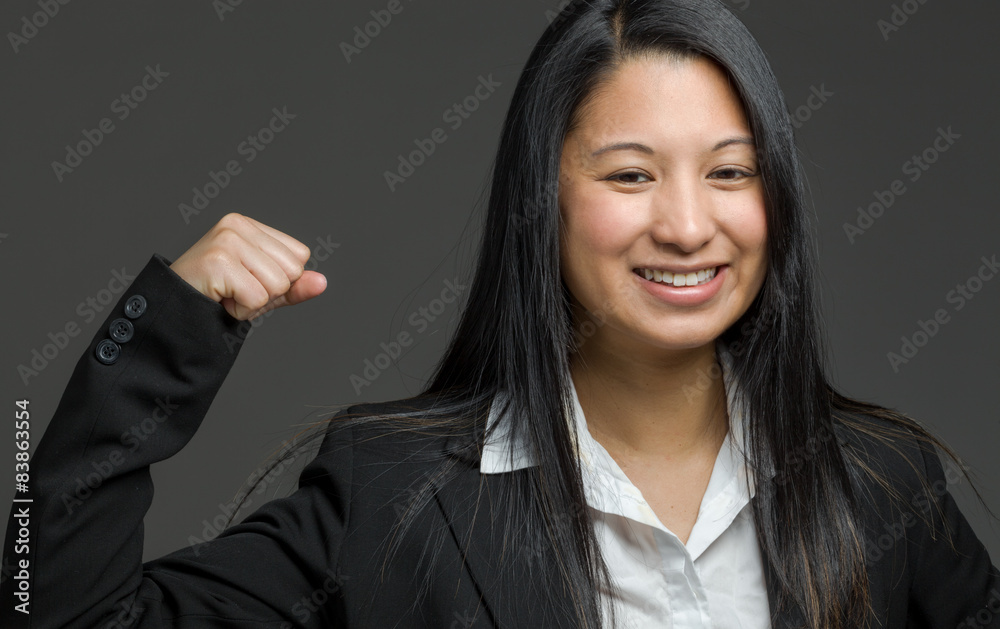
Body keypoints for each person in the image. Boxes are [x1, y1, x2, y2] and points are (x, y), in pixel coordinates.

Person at [3, 0, 999, 627]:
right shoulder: (395, 491)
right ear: (541, 200)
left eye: (730, 172)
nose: (689, 224)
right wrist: (165, 335)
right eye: (630, 174)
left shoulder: (882, 483)